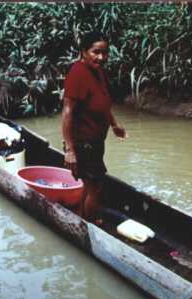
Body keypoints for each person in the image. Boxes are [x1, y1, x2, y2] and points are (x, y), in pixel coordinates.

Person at [62, 31, 126, 221]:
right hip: (83, 144)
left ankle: (81, 218)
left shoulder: (98, 72)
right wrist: (70, 150)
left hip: (96, 142)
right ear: (83, 51)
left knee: (89, 186)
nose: (101, 57)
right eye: (95, 52)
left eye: (105, 53)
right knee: (96, 189)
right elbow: (67, 113)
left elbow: (103, 103)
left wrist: (114, 125)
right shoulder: (78, 74)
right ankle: (89, 228)